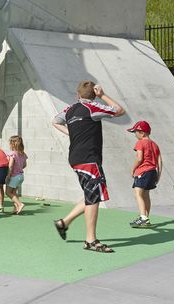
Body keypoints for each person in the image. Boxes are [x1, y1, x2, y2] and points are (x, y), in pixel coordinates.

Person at [52, 81, 125, 253]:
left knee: (91, 195)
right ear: (93, 95)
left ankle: (64, 222)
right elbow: (120, 111)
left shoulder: (69, 109)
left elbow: (55, 121)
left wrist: (73, 134)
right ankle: (90, 241)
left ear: (78, 95)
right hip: (89, 159)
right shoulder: (93, 107)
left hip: (76, 158)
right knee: (93, 198)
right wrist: (102, 95)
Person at [128, 120, 162, 228]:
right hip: (152, 172)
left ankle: (143, 217)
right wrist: (158, 176)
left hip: (143, 171)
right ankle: (146, 218)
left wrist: (133, 169)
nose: (135, 134)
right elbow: (160, 162)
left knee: (138, 193)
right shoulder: (155, 145)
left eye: (136, 132)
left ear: (142, 133)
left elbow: (139, 158)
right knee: (146, 195)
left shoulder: (140, 142)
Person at [6, 135, 28, 215]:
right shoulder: (23, 154)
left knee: (8, 192)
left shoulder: (12, 154)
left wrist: (8, 175)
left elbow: (10, 165)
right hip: (21, 176)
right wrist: (19, 167)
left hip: (14, 176)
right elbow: (24, 165)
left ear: (12, 144)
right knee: (14, 193)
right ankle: (16, 209)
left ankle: (20, 204)